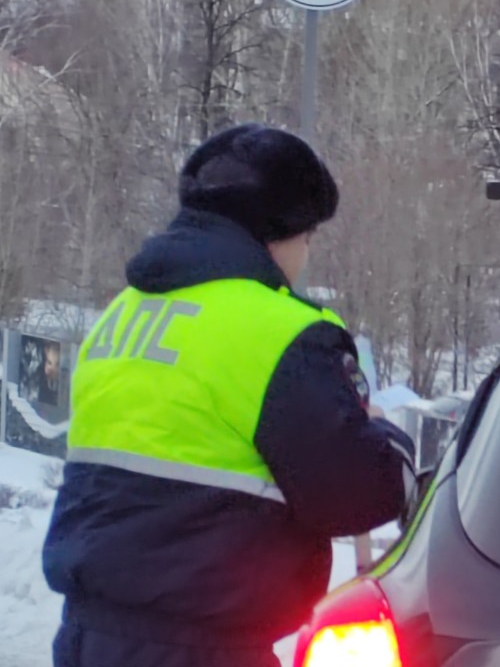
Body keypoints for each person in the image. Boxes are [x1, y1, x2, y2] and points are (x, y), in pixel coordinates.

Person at [42, 124, 416, 667]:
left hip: (86, 638)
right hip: (201, 648)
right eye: (308, 237)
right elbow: (358, 494)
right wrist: (385, 435)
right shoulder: (279, 333)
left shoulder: (123, 314)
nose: (305, 255)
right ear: (278, 234)